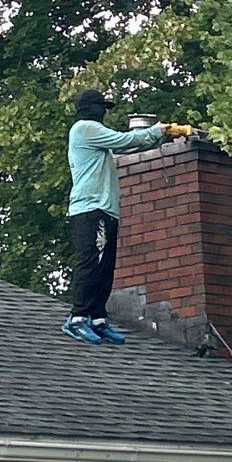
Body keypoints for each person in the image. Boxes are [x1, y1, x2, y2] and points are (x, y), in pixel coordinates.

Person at [62, 90, 191, 344]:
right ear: (91, 108)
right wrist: (158, 130)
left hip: (104, 209)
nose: (104, 112)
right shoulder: (85, 128)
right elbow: (125, 140)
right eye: (102, 107)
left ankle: (97, 319)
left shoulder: (95, 137)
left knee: (105, 266)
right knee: (91, 262)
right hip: (90, 209)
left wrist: (158, 136)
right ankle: (78, 318)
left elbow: (130, 145)